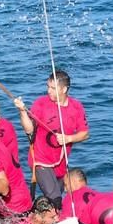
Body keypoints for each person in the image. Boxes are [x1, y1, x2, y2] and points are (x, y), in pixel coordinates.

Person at [14, 70, 89, 209]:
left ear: (64, 89)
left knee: (56, 199)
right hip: (41, 161)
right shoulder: (41, 104)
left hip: (60, 162)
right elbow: (29, 129)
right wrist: (22, 112)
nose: (48, 91)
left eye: (53, 88)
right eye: (48, 87)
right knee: (55, 199)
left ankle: (38, 216)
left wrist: (69, 138)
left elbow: (84, 134)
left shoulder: (76, 107)